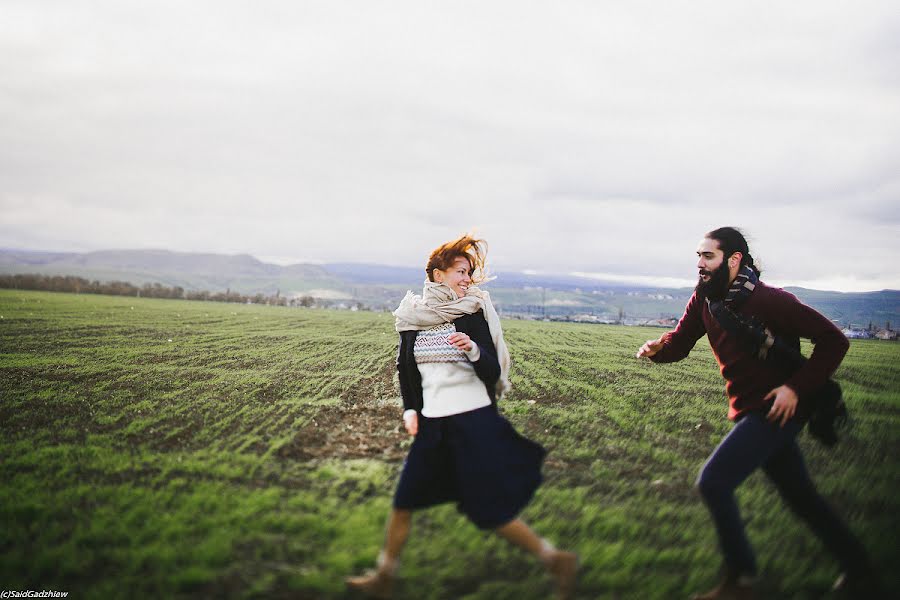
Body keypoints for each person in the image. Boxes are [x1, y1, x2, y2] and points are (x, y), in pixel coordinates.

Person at [636, 227, 876, 599]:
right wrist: (657, 349)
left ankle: (741, 580)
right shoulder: (704, 300)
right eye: (698, 256)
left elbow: (834, 341)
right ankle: (860, 570)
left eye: (708, 256)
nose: (700, 264)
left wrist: (795, 388)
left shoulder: (771, 302)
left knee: (713, 481)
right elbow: (681, 343)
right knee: (801, 496)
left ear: (733, 260)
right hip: (749, 409)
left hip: (775, 410)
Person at [346, 234, 577, 599]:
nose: (467, 279)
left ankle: (555, 559)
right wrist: (411, 409)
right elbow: (407, 371)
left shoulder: (472, 314)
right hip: (433, 426)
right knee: (404, 501)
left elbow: (491, 373)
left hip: (473, 423)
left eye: (469, 272)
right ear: (438, 275)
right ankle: (384, 576)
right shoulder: (412, 319)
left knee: (488, 510)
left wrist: (472, 350)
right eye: (459, 271)